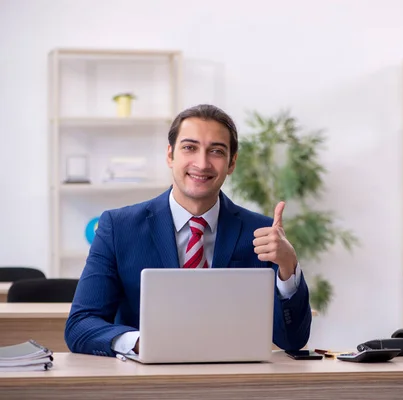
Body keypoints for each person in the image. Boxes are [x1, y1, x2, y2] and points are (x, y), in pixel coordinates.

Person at [64, 104, 312, 357]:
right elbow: (80, 326)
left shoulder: (260, 232)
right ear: (170, 155)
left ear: (231, 163)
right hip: (145, 383)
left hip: (234, 381)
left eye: (216, 151)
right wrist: (143, 342)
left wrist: (287, 266)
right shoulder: (118, 228)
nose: (202, 163)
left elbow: (292, 341)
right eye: (189, 148)